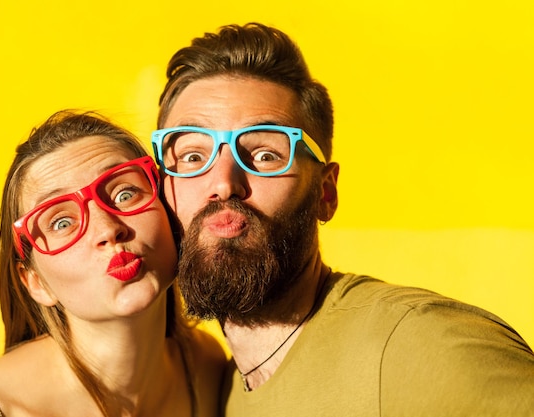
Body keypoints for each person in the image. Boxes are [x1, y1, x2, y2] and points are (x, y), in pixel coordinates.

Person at [151, 22, 534, 416]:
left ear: (325, 193)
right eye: (194, 156)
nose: (224, 183)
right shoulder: (221, 391)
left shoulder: (423, 344)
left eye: (266, 155)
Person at [0, 110, 225, 417]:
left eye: (125, 193)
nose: (107, 229)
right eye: (61, 223)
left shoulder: (203, 366)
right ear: (35, 282)